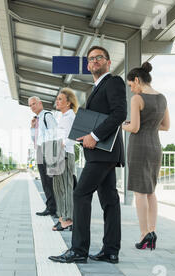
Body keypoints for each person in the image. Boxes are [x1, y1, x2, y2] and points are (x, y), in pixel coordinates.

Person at [49, 46, 127, 264]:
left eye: (99, 57)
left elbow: (120, 113)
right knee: (109, 200)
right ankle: (110, 251)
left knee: (80, 194)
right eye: (91, 59)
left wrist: (94, 134)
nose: (94, 61)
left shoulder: (113, 82)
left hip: (103, 153)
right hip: (102, 155)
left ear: (108, 62)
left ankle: (79, 250)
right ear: (87, 65)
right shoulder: (96, 87)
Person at [122, 62, 170, 250]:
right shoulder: (162, 98)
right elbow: (166, 126)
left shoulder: (137, 99)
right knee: (150, 191)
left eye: (131, 86)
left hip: (139, 146)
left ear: (137, 80)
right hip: (155, 147)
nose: (132, 90)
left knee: (139, 192)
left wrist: (123, 125)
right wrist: (148, 124)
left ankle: (144, 235)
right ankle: (152, 230)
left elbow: (133, 128)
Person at [51, 88, 78, 232]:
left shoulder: (70, 117)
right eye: (57, 99)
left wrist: (63, 144)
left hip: (66, 154)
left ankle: (68, 219)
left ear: (68, 103)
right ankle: (62, 217)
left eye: (60, 99)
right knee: (58, 187)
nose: (57, 101)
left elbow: (73, 137)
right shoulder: (62, 117)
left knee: (66, 187)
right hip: (58, 154)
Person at [29, 96, 58, 217]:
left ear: (40, 103)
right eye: (30, 105)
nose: (32, 107)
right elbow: (34, 139)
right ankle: (50, 207)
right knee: (45, 181)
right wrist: (32, 127)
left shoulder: (47, 116)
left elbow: (54, 132)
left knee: (51, 181)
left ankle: (56, 208)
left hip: (48, 149)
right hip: (40, 150)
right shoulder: (37, 119)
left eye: (34, 104)